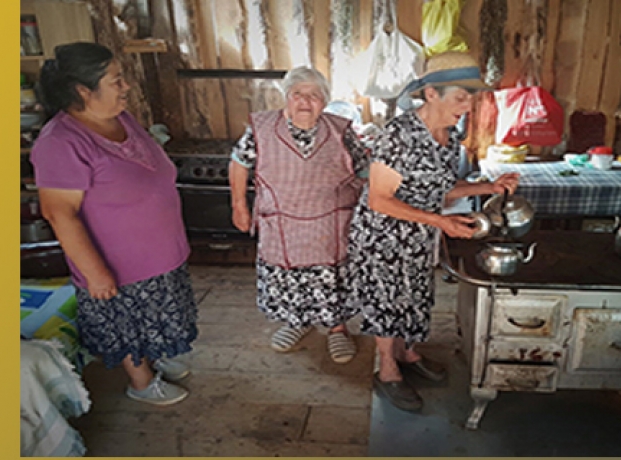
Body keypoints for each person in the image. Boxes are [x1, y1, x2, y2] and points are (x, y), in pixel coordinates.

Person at [346, 51, 519, 411]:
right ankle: (388, 370)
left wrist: (489, 187)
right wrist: (442, 222)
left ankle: (408, 354)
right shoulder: (400, 135)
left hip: (419, 235)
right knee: (387, 301)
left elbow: (439, 188)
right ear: (431, 94)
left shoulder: (449, 135)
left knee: (414, 295)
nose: (468, 106)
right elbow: (379, 199)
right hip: (384, 237)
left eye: (472, 97)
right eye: (460, 97)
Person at [31, 42, 197, 406]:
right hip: (119, 265)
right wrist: (95, 272)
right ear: (83, 91)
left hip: (159, 254)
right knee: (127, 324)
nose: (126, 86)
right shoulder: (60, 143)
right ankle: (140, 382)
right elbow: (59, 213)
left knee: (156, 314)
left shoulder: (118, 117)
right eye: (116, 80)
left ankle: (157, 359)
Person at [228, 67, 370, 364]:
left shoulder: (341, 130)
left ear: (325, 101)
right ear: (286, 98)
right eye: (298, 95)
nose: (305, 102)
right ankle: (297, 322)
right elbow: (239, 163)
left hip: (329, 225)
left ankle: (337, 329)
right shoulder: (262, 128)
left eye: (314, 95)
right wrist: (239, 206)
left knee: (331, 280)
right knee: (290, 279)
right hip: (282, 224)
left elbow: (366, 171)